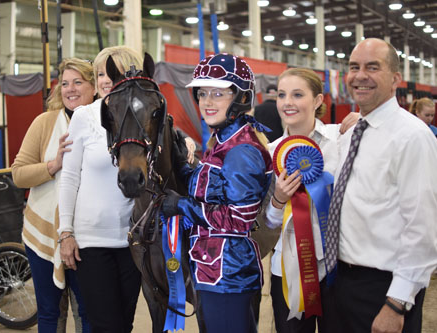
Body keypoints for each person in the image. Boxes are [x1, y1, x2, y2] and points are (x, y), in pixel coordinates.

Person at [327, 38, 437, 333]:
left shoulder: (412, 137)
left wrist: (396, 303)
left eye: (372, 67)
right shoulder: (352, 134)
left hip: (383, 290)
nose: (360, 75)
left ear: (395, 79)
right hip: (341, 282)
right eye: (354, 67)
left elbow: (423, 228)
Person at [161, 53, 272, 333]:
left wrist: (181, 206)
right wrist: (181, 166)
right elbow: (212, 189)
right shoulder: (223, 142)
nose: (207, 102)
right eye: (203, 94)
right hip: (212, 270)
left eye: (218, 94)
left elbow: (239, 219)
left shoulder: (242, 151)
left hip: (228, 275)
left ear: (239, 98)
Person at [57, 46, 144, 333]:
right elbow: (69, 177)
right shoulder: (84, 116)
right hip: (91, 242)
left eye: (113, 72)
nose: (106, 80)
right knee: (106, 325)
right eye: (100, 73)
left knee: (125, 324)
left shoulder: (143, 116)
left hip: (132, 240)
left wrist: (186, 141)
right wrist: (66, 233)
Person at [265, 68, 357, 333]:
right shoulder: (270, 153)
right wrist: (278, 201)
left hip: (336, 269)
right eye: (282, 95)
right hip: (288, 272)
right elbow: (266, 228)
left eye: (297, 94)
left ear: (318, 101)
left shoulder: (341, 139)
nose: (287, 102)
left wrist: (364, 120)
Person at [12, 58, 94, 333]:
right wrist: (53, 165)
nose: (70, 89)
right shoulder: (45, 122)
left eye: (78, 82)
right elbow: (19, 174)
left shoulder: (104, 122)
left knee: (88, 312)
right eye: (65, 83)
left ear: (94, 87)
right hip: (43, 234)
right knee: (49, 312)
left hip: (88, 236)